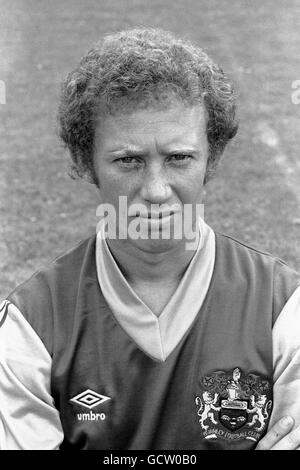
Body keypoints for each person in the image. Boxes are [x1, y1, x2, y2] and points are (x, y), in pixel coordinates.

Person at [0, 27, 299, 451]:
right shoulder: (30, 324)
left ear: (210, 159)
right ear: (88, 164)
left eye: (179, 158)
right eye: (129, 161)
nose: (156, 190)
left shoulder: (283, 308)